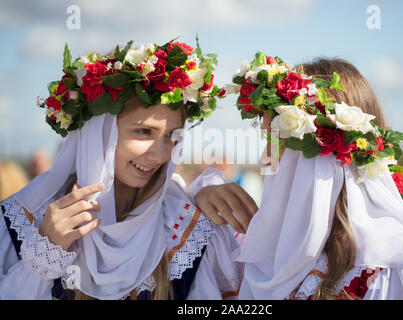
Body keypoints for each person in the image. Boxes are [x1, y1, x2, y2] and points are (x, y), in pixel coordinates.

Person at [0, 39, 256, 300]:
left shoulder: (186, 229)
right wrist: (43, 258)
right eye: (144, 131)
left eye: (172, 135)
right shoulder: (27, 219)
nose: (161, 154)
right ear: (99, 132)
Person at [229, 54, 403, 299]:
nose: (264, 158)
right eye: (267, 139)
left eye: (276, 140)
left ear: (323, 152)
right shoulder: (264, 252)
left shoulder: (397, 266)